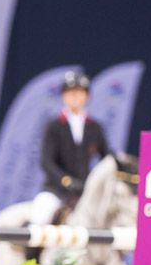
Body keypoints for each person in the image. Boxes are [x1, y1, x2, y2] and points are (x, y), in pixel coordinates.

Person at [30, 70, 112, 226]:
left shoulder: (95, 127)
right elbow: (46, 161)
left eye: (79, 92)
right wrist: (66, 181)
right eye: (70, 92)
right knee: (40, 215)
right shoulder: (54, 125)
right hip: (56, 190)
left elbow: (106, 157)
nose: (74, 96)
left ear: (87, 96)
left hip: (85, 191)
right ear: (63, 96)